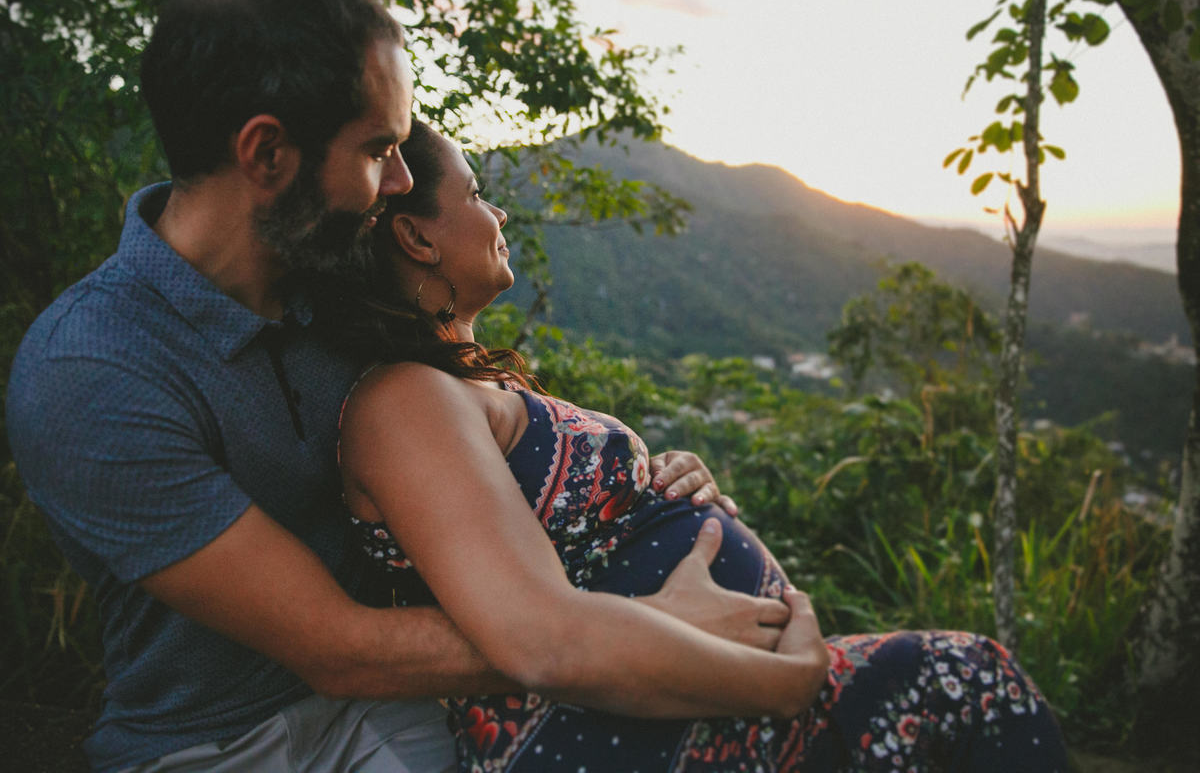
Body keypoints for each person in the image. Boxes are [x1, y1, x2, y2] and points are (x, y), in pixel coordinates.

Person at [4, 0, 777, 771]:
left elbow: (498, 447)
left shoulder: (337, 287)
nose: (403, 183)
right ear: (267, 153)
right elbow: (338, 648)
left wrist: (647, 490)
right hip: (219, 743)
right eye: (379, 151)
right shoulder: (93, 372)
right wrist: (637, 620)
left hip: (395, 709)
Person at [312, 119, 1072, 772]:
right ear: (414, 235)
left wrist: (654, 488)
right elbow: (536, 635)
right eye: (477, 195)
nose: (498, 209)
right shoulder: (402, 399)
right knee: (972, 683)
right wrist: (783, 681)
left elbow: (554, 542)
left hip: (668, 697)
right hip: (608, 726)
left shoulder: (456, 390)